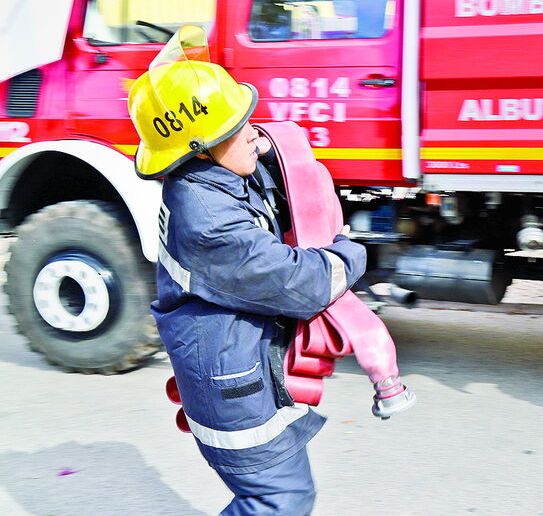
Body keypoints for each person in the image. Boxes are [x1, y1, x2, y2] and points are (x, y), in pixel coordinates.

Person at [127, 26, 411, 515]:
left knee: (282, 495)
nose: (253, 136)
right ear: (199, 146)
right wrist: (351, 253)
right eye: (237, 128)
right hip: (233, 391)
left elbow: (276, 177)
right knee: (278, 501)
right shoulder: (209, 223)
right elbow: (306, 284)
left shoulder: (212, 180)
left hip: (245, 371)